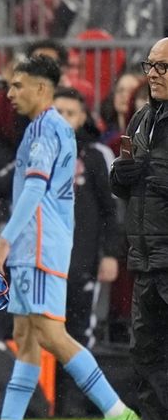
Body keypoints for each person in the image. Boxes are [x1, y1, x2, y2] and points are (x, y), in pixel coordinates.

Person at [0, 55, 139, 420]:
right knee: (25, 336)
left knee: (52, 334)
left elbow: (36, 187)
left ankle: (118, 412)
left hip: (38, 245)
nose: (10, 92)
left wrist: (5, 239)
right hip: (33, 246)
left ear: (40, 87)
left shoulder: (45, 130)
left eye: (18, 85)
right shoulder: (45, 128)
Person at [110, 37, 168, 420]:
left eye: (162, 67)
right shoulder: (141, 120)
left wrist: (148, 177)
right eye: (149, 66)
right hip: (145, 260)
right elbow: (126, 181)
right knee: (146, 360)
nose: (152, 75)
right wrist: (120, 176)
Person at [52, 86, 120, 349]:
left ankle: (78, 391)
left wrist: (111, 253)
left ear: (82, 118)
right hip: (44, 262)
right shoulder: (35, 150)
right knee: (41, 332)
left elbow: (110, 208)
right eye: (57, 112)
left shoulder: (96, 155)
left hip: (81, 262)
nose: (63, 117)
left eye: (70, 113)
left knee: (79, 334)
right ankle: (45, 391)